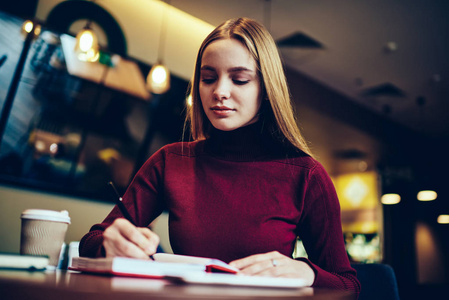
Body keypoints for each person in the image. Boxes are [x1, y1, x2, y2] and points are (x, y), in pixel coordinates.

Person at [79, 17, 361, 293]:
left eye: (239, 79)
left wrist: (307, 271)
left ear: (266, 90)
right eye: (208, 78)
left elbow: (349, 285)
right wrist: (108, 243)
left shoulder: (306, 175)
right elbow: (90, 241)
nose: (219, 92)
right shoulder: (170, 162)